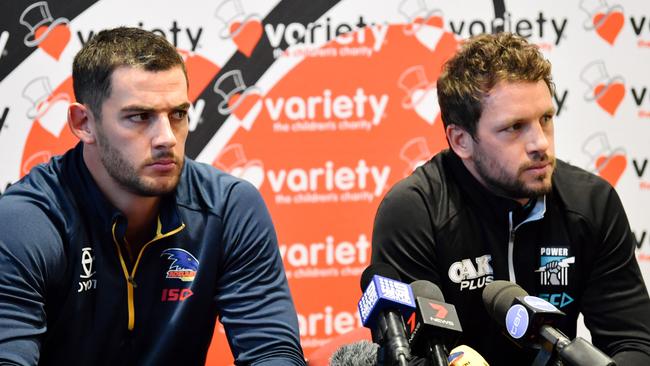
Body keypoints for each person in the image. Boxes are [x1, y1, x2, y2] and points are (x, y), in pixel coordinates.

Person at [0, 27, 305, 366]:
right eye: (140, 117)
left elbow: (272, 353)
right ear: (83, 122)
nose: (166, 139)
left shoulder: (228, 206)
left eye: (178, 114)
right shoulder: (26, 222)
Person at [371, 32, 650, 365]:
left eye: (545, 119)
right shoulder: (415, 212)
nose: (540, 144)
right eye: (515, 127)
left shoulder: (591, 203)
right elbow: (407, 356)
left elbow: (634, 343)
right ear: (461, 140)